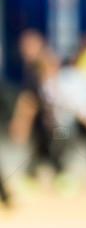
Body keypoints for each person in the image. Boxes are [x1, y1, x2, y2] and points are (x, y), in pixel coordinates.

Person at [10, 30, 65, 182]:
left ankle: (59, 177)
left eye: (28, 46)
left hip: (53, 119)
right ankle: (35, 176)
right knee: (40, 149)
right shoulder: (33, 68)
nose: (24, 51)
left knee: (51, 149)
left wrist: (21, 123)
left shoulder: (43, 66)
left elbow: (30, 100)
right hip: (45, 120)